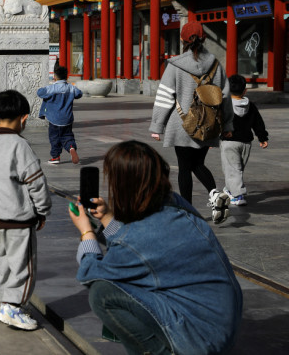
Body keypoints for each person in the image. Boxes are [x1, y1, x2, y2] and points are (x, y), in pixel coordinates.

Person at [69, 140, 242, 354]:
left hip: (200, 341)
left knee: (102, 293)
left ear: (121, 185)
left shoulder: (140, 236)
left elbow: (90, 273)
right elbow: (134, 246)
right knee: (131, 279)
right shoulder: (175, 203)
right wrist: (106, 218)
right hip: (222, 324)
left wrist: (86, 232)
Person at [149, 21, 234, 224]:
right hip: (209, 124)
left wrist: (157, 125)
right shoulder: (215, 64)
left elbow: (165, 96)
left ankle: (187, 210)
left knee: (185, 168)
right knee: (198, 163)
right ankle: (214, 193)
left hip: (182, 124)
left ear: (182, 40)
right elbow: (226, 97)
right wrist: (228, 125)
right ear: (204, 38)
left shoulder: (175, 65)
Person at [0, 89, 51, 331]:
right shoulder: (20, 146)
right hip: (19, 219)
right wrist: (42, 210)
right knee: (24, 266)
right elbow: (36, 181)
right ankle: (14, 307)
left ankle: (5, 304)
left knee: (3, 263)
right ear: (23, 119)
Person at [220, 74, 269, 206]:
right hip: (246, 143)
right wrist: (262, 137)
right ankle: (231, 188)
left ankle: (238, 195)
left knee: (232, 168)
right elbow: (258, 123)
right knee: (238, 168)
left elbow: (217, 123)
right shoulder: (250, 106)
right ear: (245, 91)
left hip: (229, 142)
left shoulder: (225, 105)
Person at [37, 66, 82, 165]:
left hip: (54, 119)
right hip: (67, 118)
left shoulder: (51, 88)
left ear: (55, 77)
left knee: (54, 138)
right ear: (67, 77)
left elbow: (40, 92)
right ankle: (71, 147)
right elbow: (79, 94)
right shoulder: (71, 88)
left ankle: (55, 156)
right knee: (67, 135)